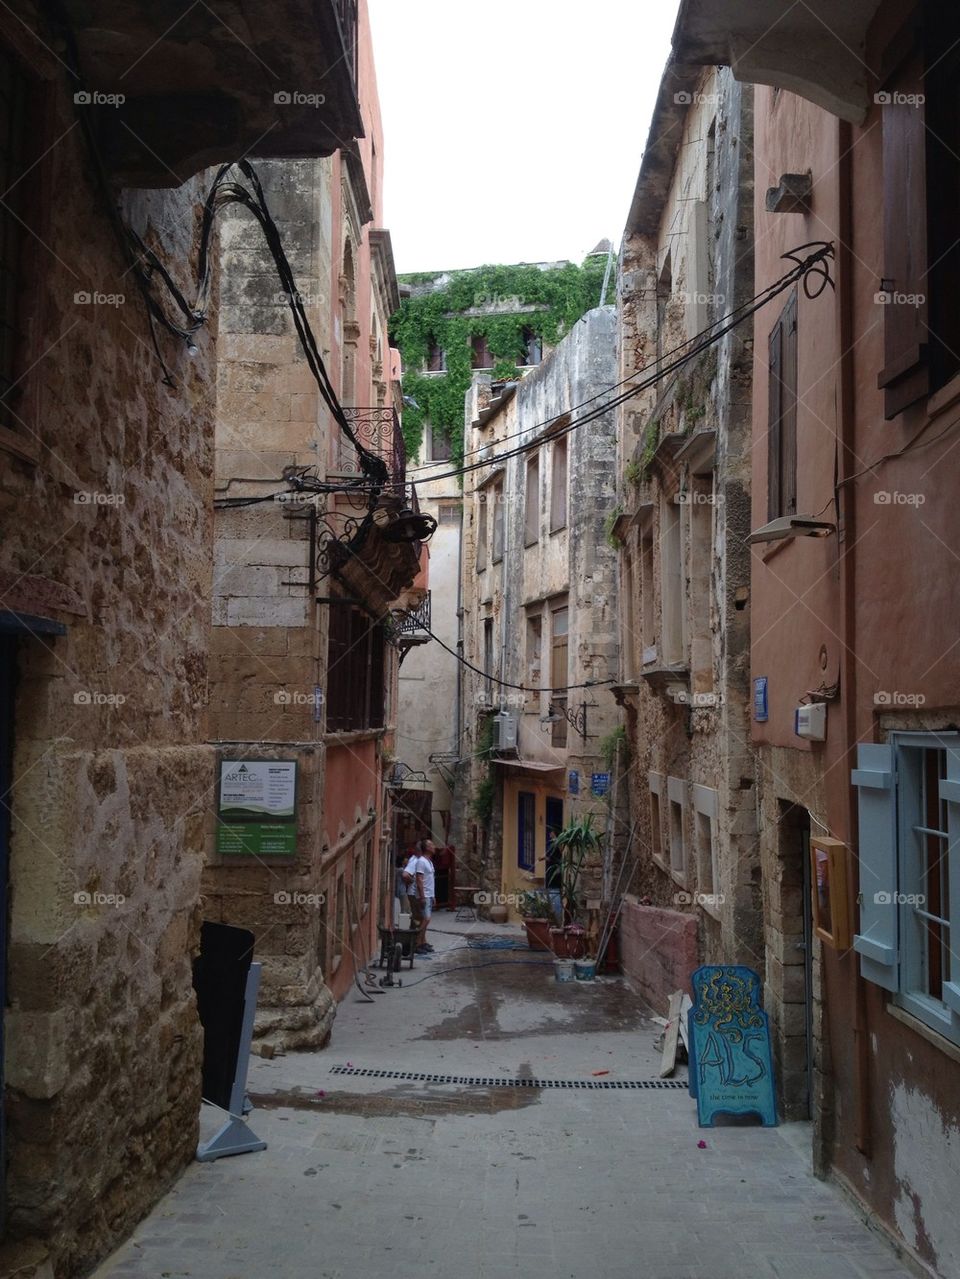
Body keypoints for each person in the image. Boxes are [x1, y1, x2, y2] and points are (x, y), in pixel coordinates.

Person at [405, 838, 436, 954]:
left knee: (425, 919)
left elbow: (429, 880)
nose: (434, 846)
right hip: (424, 895)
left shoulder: (429, 861)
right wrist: (422, 896)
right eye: (431, 845)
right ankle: (417, 943)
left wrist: (433, 896)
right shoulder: (421, 862)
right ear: (427, 848)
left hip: (429, 895)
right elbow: (419, 879)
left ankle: (422, 942)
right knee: (425, 919)